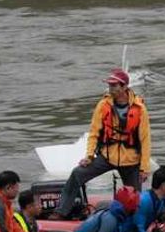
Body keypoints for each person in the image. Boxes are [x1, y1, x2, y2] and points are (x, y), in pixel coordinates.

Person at [53, 69, 151, 219]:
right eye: (109, 85)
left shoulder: (140, 109)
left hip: (131, 160)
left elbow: (145, 139)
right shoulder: (103, 105)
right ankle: (61, 211)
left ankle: (134, 220)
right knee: (77, 173)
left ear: (124, 87)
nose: (110, 88)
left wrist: (144, 167)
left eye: (114, 85)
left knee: (134, 198)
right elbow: (94, 133)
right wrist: (89, 156)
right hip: (107, 156)